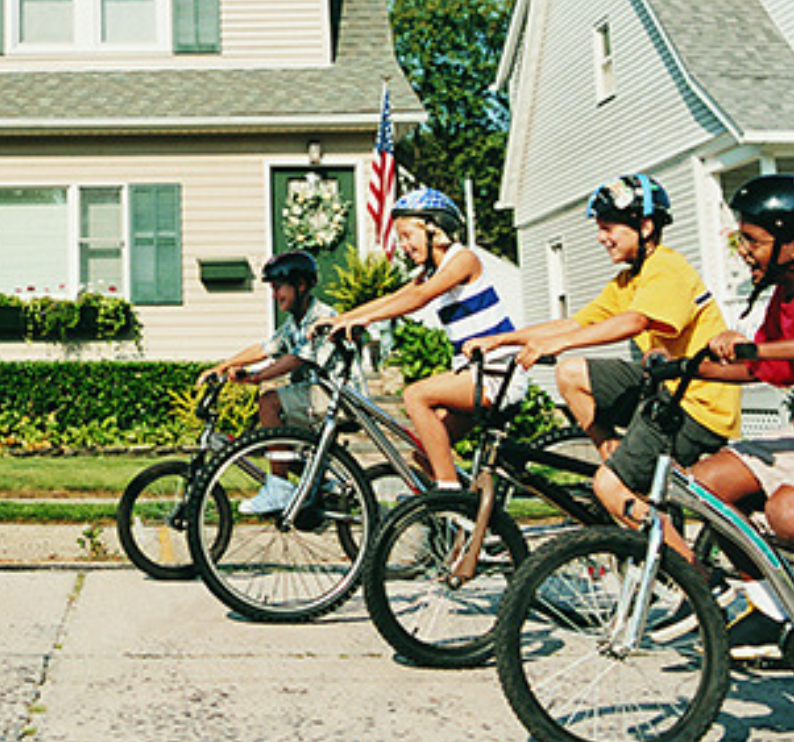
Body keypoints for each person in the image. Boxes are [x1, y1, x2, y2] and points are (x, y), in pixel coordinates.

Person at [465, 173, 740, 532]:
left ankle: (697, 579)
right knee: (571, 373)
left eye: (608, 227)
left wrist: (559, 344)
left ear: (644, 227)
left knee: (609, 488)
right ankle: (612, 453)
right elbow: (575, 324)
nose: (601, 237)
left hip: (698, 407)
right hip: (665, 389)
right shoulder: (628, 280)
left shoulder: (667, 269)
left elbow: (634, 321)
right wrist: (502, 340)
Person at [315, 187, 526, 487]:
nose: (403, 245)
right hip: (475, 374)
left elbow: (421, 296)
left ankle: (448, 496)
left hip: (497, 374)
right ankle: (464, 521)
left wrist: (365, 319)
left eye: (407, 236)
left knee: (415, 395)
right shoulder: (431, 272)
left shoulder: (463, 259)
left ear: (434, 229)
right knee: (425, 453)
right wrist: (343, 318)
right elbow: (396, 297)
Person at [683, 174, 794, 660]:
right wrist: (685, 369)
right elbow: (761, 367)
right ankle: (771, 606)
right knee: (705, 485)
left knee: (784, 513)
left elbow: (769, 351)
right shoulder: (782, 295)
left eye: (753, 240)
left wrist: (755, 345)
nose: (744, 250)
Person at [198, 250, 335, 514]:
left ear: (301, 285)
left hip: (334, 397)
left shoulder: (321, 316)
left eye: (278, 288)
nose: (275, 295)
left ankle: (279, 488)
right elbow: (265, 348)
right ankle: (323, 485)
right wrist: (223, 366)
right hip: (314, 398)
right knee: (274, 440)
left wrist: (256, 377)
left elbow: (297, 360)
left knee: (270, 402)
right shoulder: (295, 321)